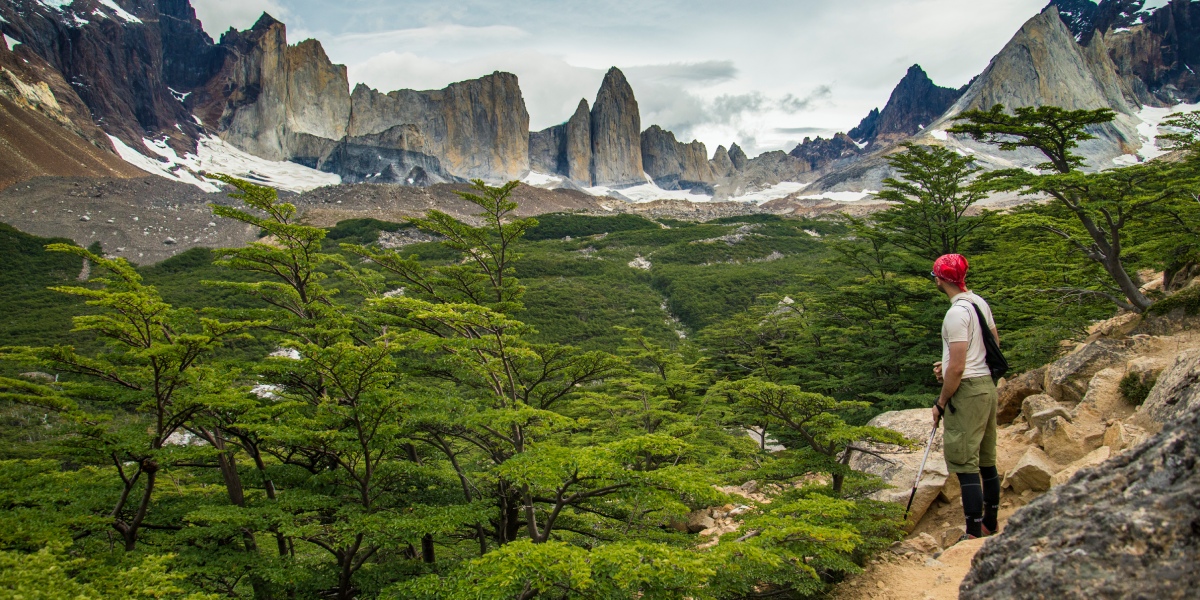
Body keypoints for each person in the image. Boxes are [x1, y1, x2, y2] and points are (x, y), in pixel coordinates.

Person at [930, 254, 1000, 539]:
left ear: (940, 279)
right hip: (986, 385)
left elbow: (958, 367)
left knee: (965, 463)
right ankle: (990, 522)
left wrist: (941, 402)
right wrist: (947, 365)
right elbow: (993, 344)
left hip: (967, 391)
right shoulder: (979, 302)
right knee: (987, 460)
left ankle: (972, 533)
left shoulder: (956, 313)